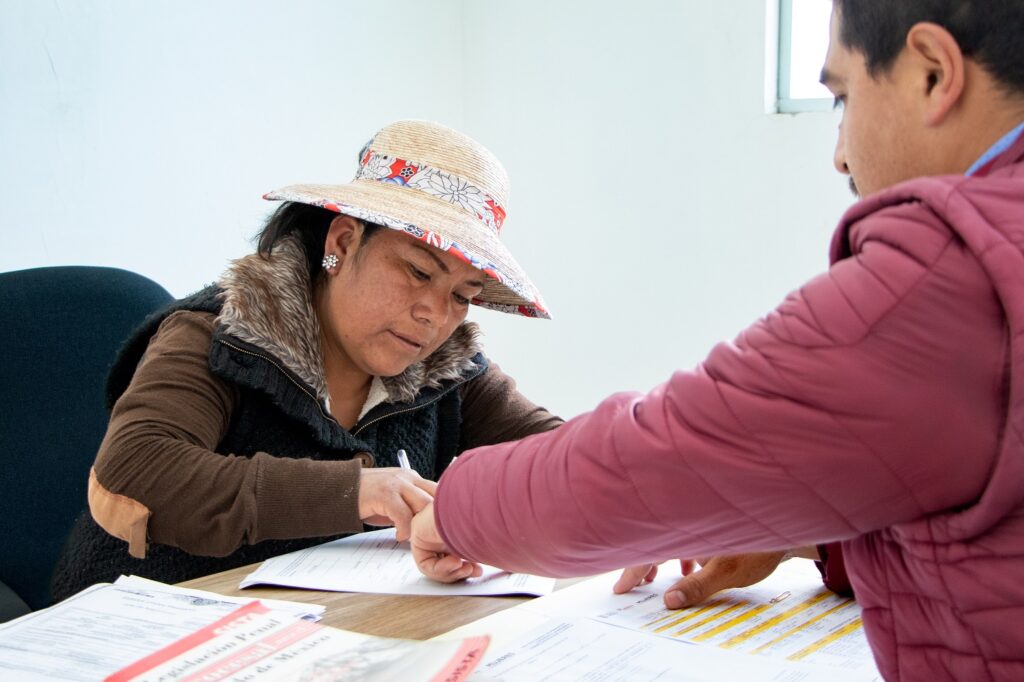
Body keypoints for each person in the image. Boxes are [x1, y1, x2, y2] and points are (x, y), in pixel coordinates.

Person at [409, 1, 1024, 678]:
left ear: (935, 74)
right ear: (341, 245)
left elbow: (659, 455)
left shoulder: (955, 269)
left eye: (843, 98)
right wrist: (821, 539)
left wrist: (463, 507)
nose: (840, 153)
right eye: (413, 272)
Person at [50, 119, 563, 600]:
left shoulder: (447, 367)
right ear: (343, 242)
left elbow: (559, 455)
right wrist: (357, 491)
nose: (434, 315)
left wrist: (633, 522)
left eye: (462, 294)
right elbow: (136, 470)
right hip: (143, 627)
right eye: (417, 271)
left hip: (320, 635)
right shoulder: (222, 332)